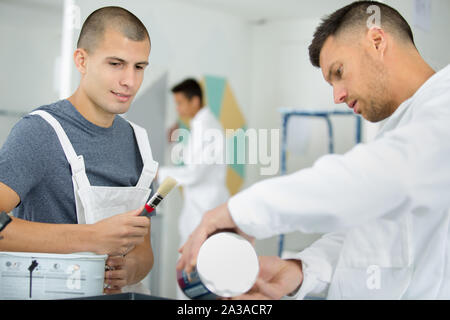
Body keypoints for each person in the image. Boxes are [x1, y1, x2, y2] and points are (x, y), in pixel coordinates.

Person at [177, 1, 450, 300]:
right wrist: (302, 270)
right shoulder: (402, 127)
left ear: (377, 41)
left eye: (339, 71)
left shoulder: (443, 106)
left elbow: (387, 177)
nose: (337, 96)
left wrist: (239, 211)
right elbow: (370, 234)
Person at [0, 6, 159, 294]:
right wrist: (92, 237)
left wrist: (131, 268)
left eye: (139, 67)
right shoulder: (39, 132)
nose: (130, 81)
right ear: (82, 60)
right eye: (115, 64)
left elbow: (143, 250)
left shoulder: (139, 144)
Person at [158, 79, 229, 299]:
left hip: (206, 208)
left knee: (198, 271)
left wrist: (157, 173)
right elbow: (193, 165)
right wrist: (176, 143)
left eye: (180, 103)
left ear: (194, 100)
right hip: (197, 208)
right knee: (191, 270)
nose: (178, 109)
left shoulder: (208, 128)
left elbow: (194, 174)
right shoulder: (199, 127)